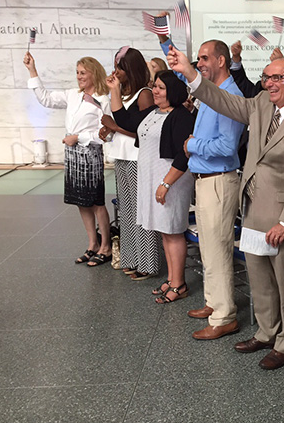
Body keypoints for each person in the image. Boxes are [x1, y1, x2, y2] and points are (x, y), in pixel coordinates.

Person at [166, 45, 284, 370]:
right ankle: (267, 332)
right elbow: (223, 100)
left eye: (276, 78)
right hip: (253, 210)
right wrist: (189, 73)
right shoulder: (260, 106)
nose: (268, 83)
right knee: (260, 279)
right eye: (266, 77)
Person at [112, 70, 195, 303]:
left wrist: (166, 183)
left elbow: (184, 154)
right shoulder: (152, 112)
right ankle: (171, 278)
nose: (155, 91)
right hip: (152, 178)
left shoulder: (181, 116)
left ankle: (179, 284)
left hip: (171, 180)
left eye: (160, 87)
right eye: (155, 86)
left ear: (172, 91)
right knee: (163, 231)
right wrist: (114, 89)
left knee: (172, 230)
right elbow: (124, 120)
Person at [181, 40, 245, 340]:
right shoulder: (210, 93)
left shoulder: (231, 95)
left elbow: (227, 146)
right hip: (206, 180)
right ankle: (212, 302)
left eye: (205, 58)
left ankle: (224, 317)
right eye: (197, 59)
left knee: (218, 250)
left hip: (219, 180)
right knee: (207, 247)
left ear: (221, 60)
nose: (199, 63)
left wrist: (193, 145)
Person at [24, 52, 113, 267]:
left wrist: (79, 137)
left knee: (96, 202)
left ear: (94, 73)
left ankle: (106, 247)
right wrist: (32, 70)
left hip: (90, 155)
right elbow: (45, 98)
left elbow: (108, 133)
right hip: (72, 156)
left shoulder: (103, 99)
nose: (79, 76)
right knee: (81, 203)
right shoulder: (73, 94)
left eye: (83, 73)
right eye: (77, 72)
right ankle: (92, 244)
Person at [99, 47, 160, 281]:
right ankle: (131, 259)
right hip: (122, 156)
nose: (116, 72)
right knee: (126, 211)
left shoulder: (144, 93)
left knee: (141, 212)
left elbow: (145, 130)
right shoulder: (122, 93)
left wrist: (115, 126)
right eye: (115, 67)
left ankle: (147, 263)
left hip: (138, 158)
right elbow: (120, 121)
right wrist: (108, 129)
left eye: (120, 68)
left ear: (131, 69)